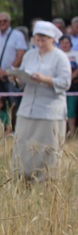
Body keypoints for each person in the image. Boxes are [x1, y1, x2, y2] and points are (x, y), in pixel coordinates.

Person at [10, 21, 71, 181]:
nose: (40, 43)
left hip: (49, 110)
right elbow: (22, 81)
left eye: (43, 39)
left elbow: (65, 82)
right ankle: (22, 177)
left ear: (52, 39)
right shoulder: (30, 55)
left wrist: (45, 79)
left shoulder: (60, 57)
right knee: (22, 144)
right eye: (37, 39)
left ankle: (46, 180)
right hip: (28, 108)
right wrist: (17, 78)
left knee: (46, 147)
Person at [0, 12, 28, 97]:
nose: (2, 23)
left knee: (13, 100)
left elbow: (20, 55)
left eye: (4, 21)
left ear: (9, 22)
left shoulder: (17, 35)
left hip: (12, 75)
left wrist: (8, 71)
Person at [58, 36, 78, 136]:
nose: (65, 45)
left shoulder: (75, 54)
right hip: (58, 86)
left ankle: (72, 133)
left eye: (67, 42)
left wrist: (69, 78)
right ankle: (61, 133)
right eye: (63, 43)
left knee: (71, 110)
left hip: (73, 86)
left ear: (71, 44)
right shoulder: (56, 55)